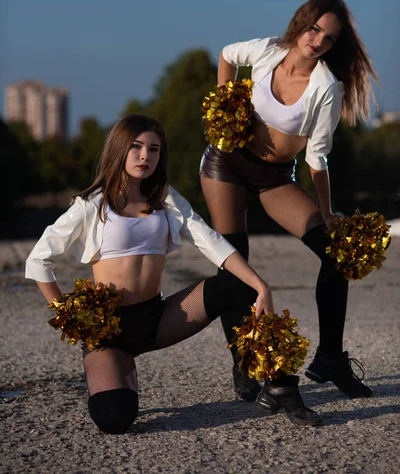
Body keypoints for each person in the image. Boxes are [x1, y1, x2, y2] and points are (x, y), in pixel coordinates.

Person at [25, 114, 322, 435]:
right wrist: (73, 319)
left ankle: (279, 387)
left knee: (240, 285)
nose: (144, 156)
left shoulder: (165, 199)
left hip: (159, 319)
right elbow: (40, 260)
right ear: (119, 150)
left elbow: (211, 242)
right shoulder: (92, 205)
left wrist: (260, 285)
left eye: (153, 149)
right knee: (114, 419)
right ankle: (118, 370)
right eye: (136, 147)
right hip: (107, 333)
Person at [200, 0, 379, 404]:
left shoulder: (327, 87)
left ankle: (330, 358)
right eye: (315, 29)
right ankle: (244, 360)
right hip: (226, 162)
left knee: (336, 255)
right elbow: (227, 54)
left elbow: (317, 157)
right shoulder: (267, 51)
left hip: (275, 177)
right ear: (302, 23)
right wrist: (227, 103)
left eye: (329, 38)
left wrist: (328, 211)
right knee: (235, 261)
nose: (317, 41)